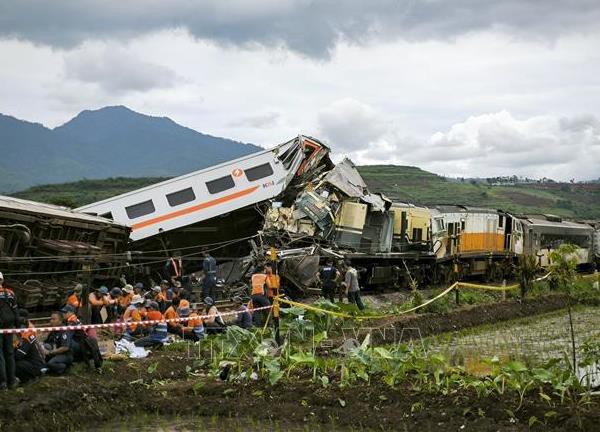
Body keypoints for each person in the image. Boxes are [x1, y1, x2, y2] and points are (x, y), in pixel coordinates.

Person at [0, 272, 18, 389]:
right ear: (2, 281)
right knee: (9, 353)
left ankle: (3, 383)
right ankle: (12, 381)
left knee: (0, 354)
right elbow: (16, 311)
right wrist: (18, 328)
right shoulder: (10, 293)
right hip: (9, 326)